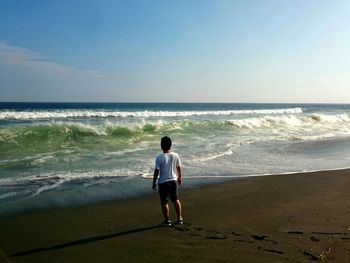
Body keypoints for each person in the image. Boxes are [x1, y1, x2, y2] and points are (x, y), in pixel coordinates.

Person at [152, 136, 184, 227]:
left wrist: (154, 182)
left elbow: (156, 171)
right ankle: (180, 218)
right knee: (175, 199)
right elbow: (178, 167)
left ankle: (167, 221)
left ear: (161, 146)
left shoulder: (159, 157)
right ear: (171, 145)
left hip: (163, 182)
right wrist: (180, 177)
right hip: (173, 180)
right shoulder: (175, 155)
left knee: (164, 202)